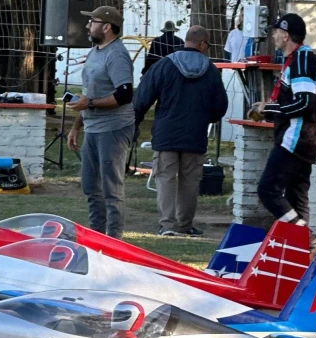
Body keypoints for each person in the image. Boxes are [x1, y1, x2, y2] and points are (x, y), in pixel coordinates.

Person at [134, 24, 228, 237]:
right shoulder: (211, 70)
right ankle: (184, 225)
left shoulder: (164, 65)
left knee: (165, 177)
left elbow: (142, 97)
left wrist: (136, 121)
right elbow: (220, 105)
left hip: (166, 132)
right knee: (190, 180)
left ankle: (167, 225)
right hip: (195, 134)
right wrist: (206, 118)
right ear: (202, 44)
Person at [67, 5, 135, 240]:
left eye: (92, 22)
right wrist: (77, 126)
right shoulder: (95, 51)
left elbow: (124, 94)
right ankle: (97, 237)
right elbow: (88, 93)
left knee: (111, 188)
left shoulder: (117, 54)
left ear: (106, 27)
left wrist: (91, 104)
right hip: (93, 128)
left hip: (113, 129)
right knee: (90, 186)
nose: (87, 25)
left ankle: (114, 240)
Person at [254, 13, 316, 228]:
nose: (273, 36)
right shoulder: (299, 59)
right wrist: (269, 109)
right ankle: (302, 253)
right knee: (296, 196)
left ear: (285, 35)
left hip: (296, 139)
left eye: (275, 32)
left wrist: (269, 109)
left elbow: (304, 103)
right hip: (308, 138)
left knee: (268, 190)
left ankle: (307, 240)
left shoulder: (302, 60)